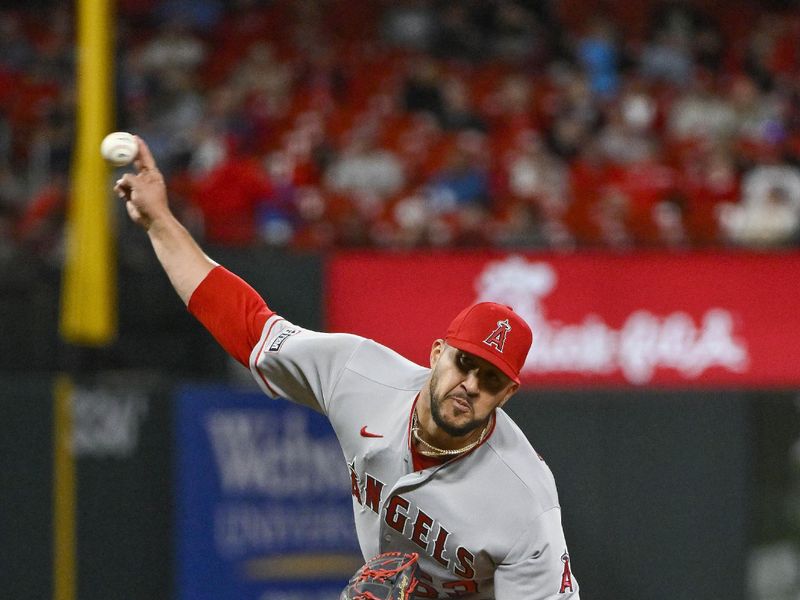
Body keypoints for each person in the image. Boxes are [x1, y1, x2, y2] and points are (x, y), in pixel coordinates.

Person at [115, 136, 580, 599]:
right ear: (438, 353)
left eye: (491, 379)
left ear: (507, 395)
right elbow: (249, 328)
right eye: (465, 363)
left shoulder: (524, 502)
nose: (471, 384)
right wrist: (160, 221)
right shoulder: (360, 375)